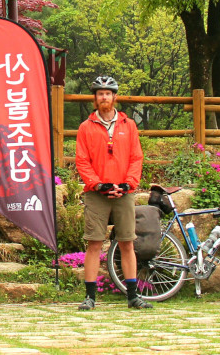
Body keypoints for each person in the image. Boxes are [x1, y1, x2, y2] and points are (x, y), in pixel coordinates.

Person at [75, 75, 151, 310]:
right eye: (100, 93)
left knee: (127, 242)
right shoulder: (86, 127)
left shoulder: (128, 125)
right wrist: (98, 184)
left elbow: (136, 157)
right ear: (95, 99)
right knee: (94, 243)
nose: (104, 97)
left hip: (124, 192)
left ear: (115, 97)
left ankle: (133, 296)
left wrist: (129, 184)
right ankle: (90, 297)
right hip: (96, 192)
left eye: (108, 93)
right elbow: (82, 160)